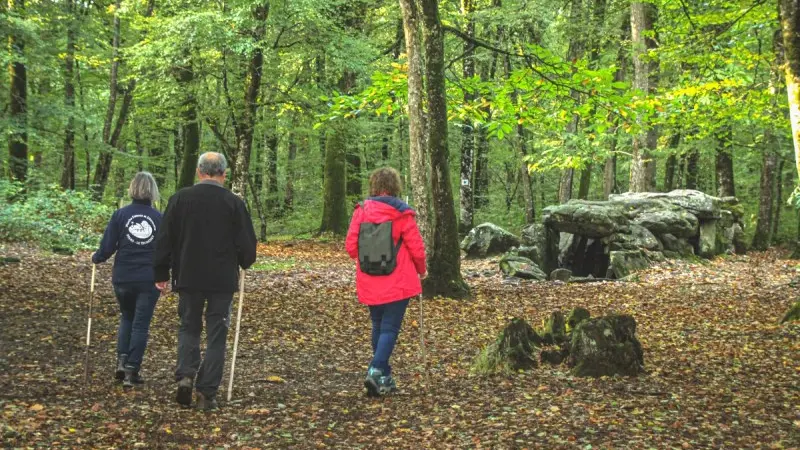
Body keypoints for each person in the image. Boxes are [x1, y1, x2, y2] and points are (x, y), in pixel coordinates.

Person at [153, 152, 257, 411]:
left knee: (188, 326)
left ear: (199, 172)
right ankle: (206, 392)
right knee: (216, 333)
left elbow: (164, 238)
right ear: (223, 174)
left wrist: (160, 273)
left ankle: (186, 375)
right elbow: (247, 245)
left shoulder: (179, 199)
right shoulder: (233, 203)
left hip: (188, 274)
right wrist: (245, 260)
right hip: (221, 278)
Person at [345, 167, 427, 396]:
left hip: (370, 279)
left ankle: (385, 377)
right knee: (389, 328)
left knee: (379, 326)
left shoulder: (361, 211)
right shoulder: (402, 213)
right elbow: (417, 248)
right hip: (398, 281)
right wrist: (422, 270)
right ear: (395, 187)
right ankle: (376, 369)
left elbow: (351, 248)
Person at [92, 172, 163, 389]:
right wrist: (166, 274)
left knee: (127, 318)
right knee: (140, 324)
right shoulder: (159, 218)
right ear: (152, 191)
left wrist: (98, 257)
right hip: (148, 279)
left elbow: (108, 245)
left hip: (123, 277)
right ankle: (132, 369)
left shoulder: (120, 215)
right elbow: (164, 249)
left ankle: (122, 362)